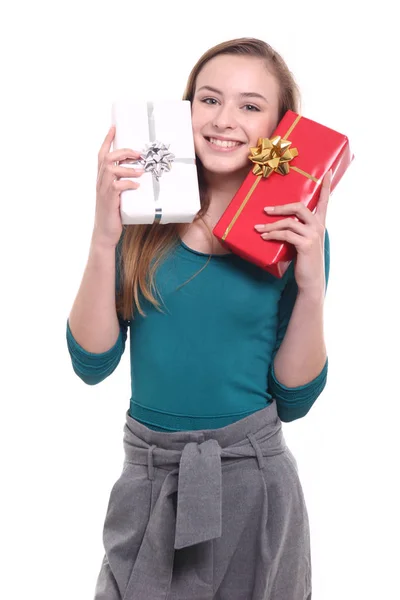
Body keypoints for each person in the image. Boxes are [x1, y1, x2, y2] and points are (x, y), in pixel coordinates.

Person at [66, 37, 330, 600]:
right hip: (150, 477)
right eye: (209, 100)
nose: (224, 120)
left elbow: (296, 400)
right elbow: (90, 363)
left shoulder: (295, 233)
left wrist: (311, 288)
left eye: (250, 106)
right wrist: (103, 238)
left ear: (282, 129)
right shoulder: (142, 219)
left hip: (252, 479)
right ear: (185, 112)